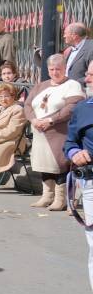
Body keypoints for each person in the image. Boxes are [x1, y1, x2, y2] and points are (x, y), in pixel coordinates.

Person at [24, 54, 85, 210]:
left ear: (65, 68)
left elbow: (72, 107)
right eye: (51, 69)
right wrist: (33, 120)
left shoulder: (72, 85)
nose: (55, 72)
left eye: (58, 69)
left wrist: (50, 120)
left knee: (59, 164)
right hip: (39, 131)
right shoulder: (41, 85)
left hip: (59, 131)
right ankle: (47, 196)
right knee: (44, 164)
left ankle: (60, 199)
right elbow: (28, 104)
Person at [62, 67, 93, 294]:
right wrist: (75, 153)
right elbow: (70, 142)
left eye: (92, 74)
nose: (87, 78)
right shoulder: (83, 108)